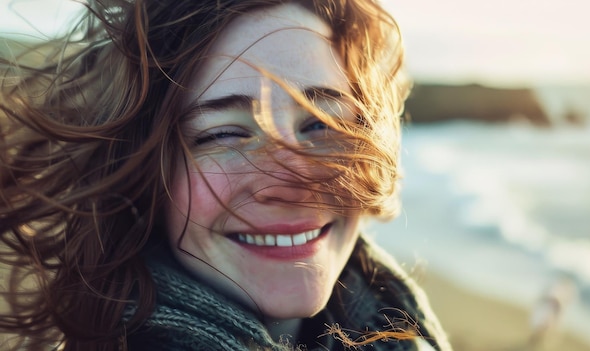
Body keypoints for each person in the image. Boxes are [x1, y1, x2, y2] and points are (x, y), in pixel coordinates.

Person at [0, 0, 451, 350]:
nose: (292, 182)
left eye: (322, 124)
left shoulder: (399, 328)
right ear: (140, 172)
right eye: (224, 134)